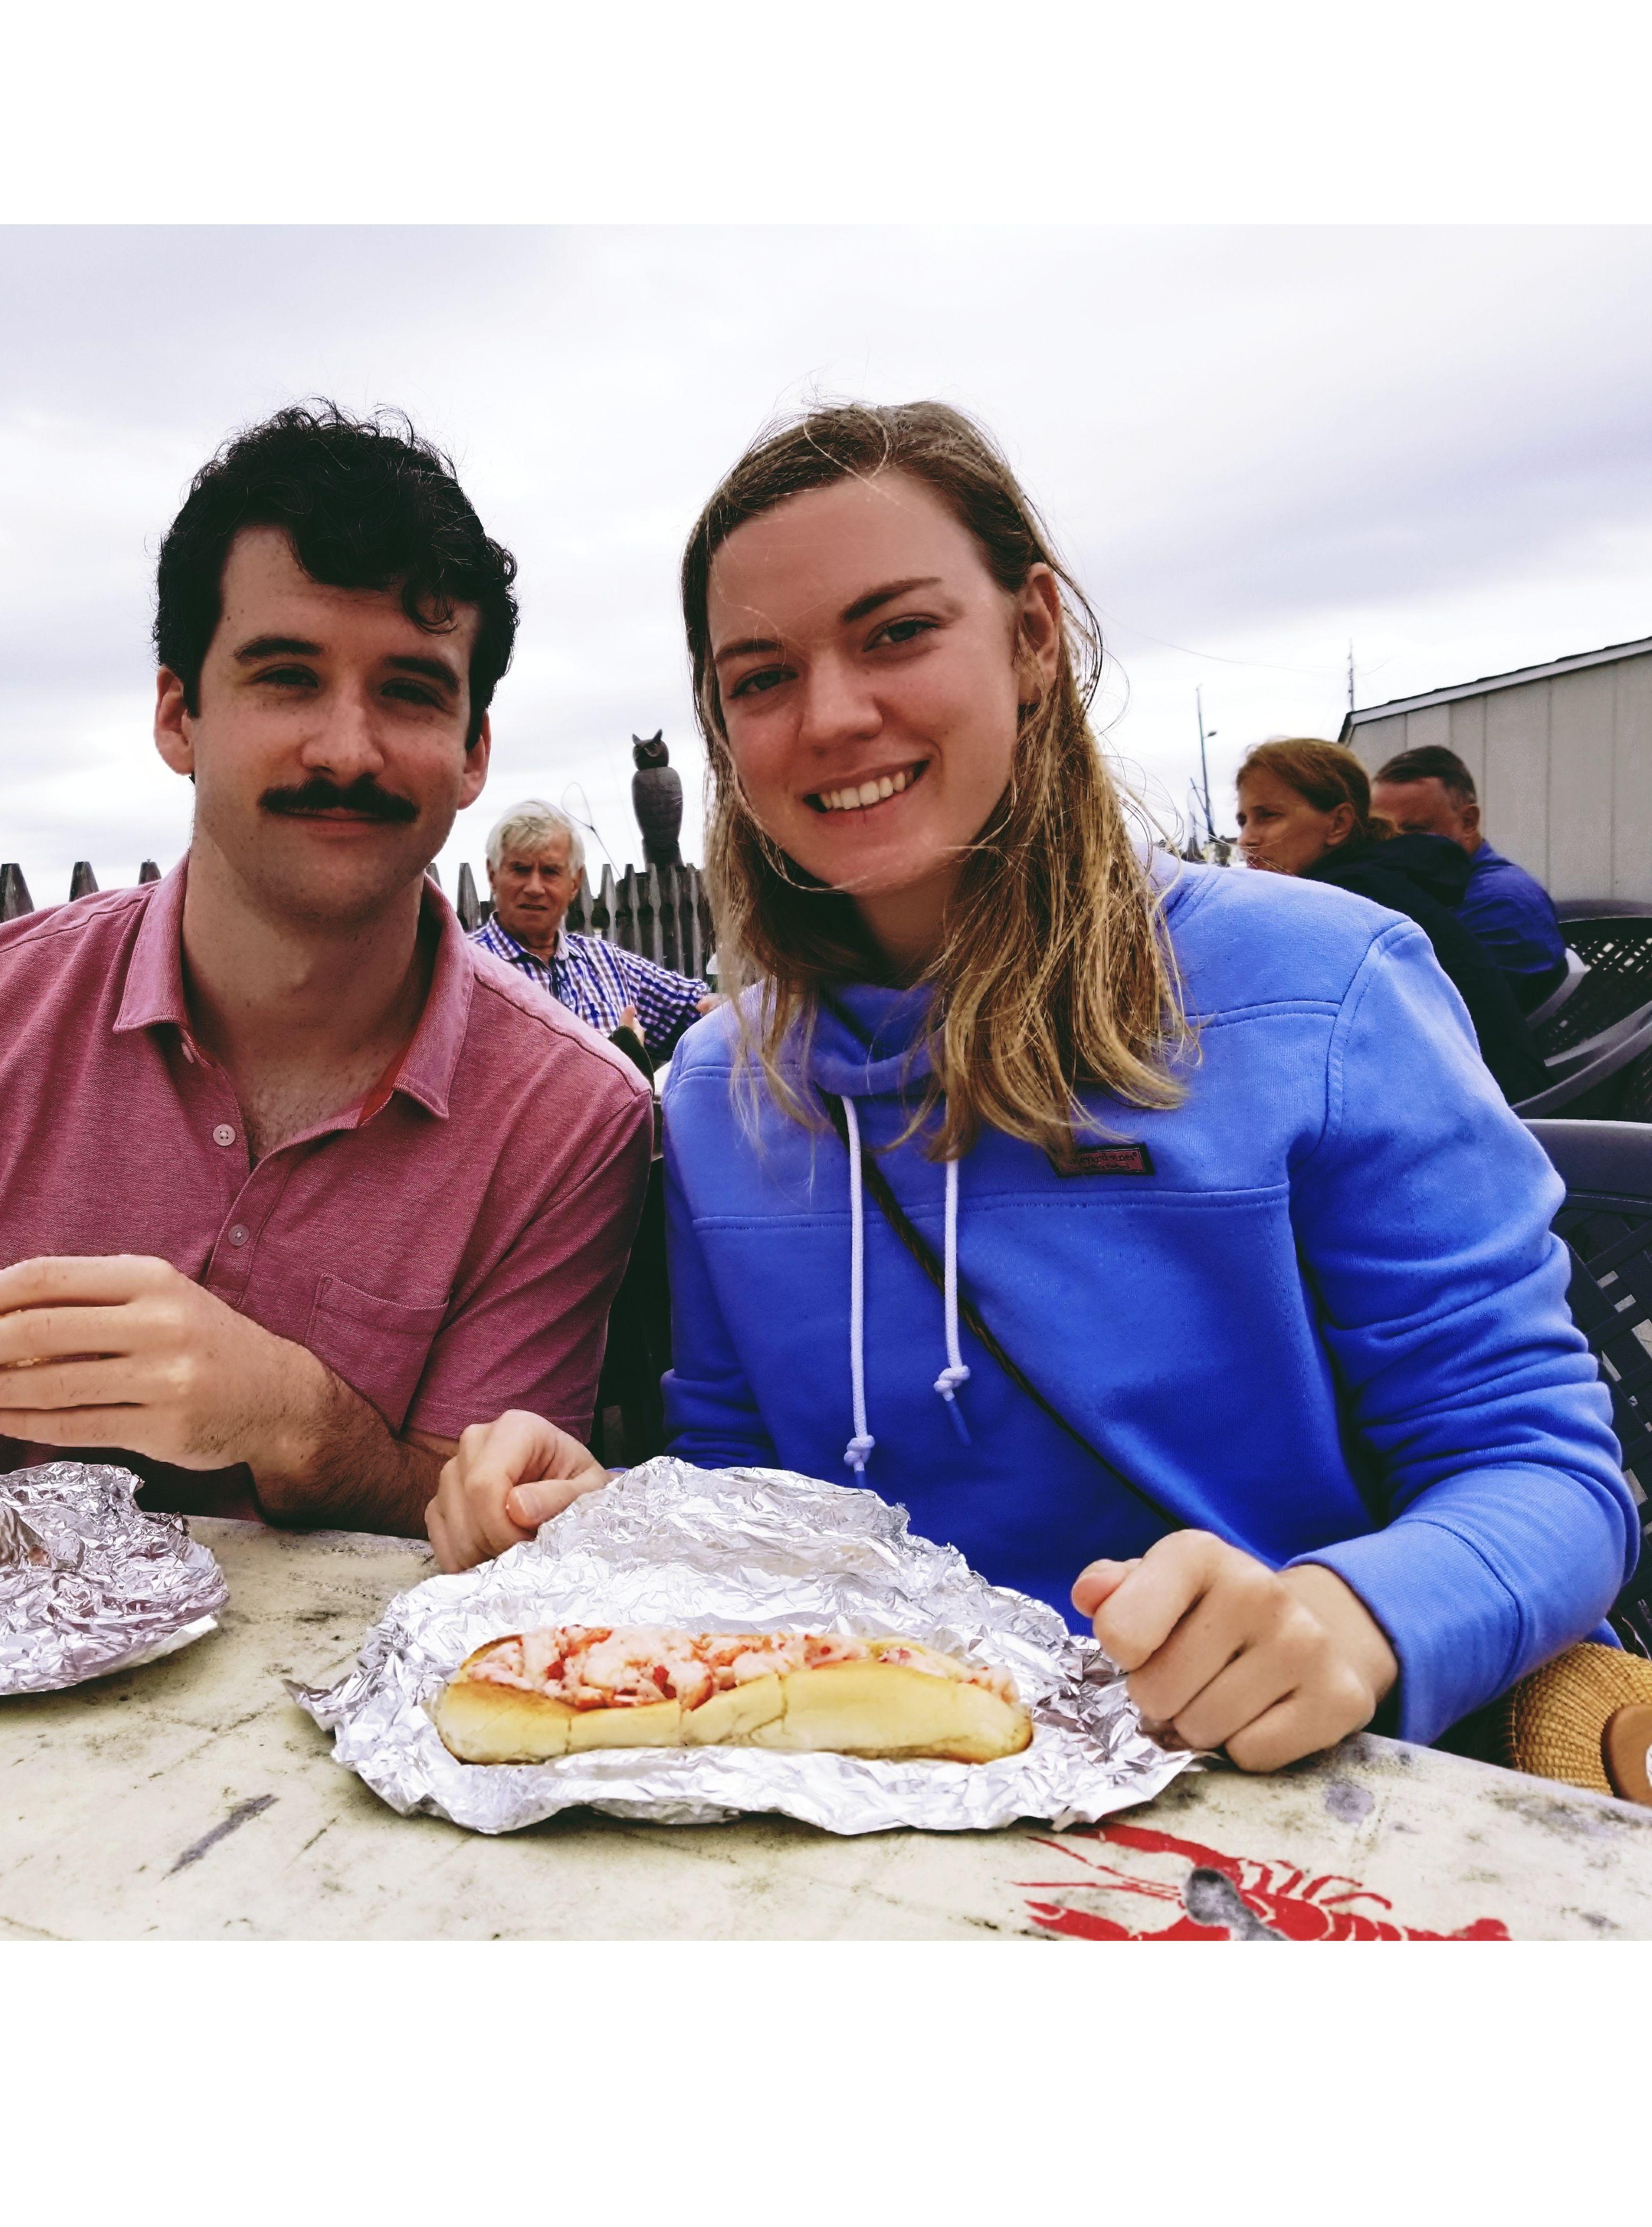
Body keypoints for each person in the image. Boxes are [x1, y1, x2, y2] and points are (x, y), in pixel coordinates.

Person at [428, 400, 1633, 1773]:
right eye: (760, 677)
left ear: (1034, 636)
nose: (831, 716)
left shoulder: (1329, 989)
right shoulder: (716, 1087)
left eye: (897, 634)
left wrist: (1352, 1618)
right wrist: (601, 1519)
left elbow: (1546, 1474)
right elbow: (737, 1474)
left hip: (1262, 1802)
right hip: (872, 1808)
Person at [0, 404, 653, 1533]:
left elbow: (479, 1531)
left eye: (409, 691)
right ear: (179, 717)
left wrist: (289, 1414)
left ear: (472, 757)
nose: (347, 748)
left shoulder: (572, 1117)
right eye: (286, 676)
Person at [1234, 736, 1544, 1101]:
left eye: (1268, 816)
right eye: (1243, 820)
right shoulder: (1380, 882)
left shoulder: (1351, 903)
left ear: (1338, 824)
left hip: (1483, 1119)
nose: (1247, 839)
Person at [468, 798, 719, 1070]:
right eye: (520, 869)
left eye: (551, 871)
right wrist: (620, 1056)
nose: (535, 887)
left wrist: (725, 1009)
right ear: (492, 875)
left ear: (574, 882)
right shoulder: (465, 970)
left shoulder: (605, 961)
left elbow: (695, 1009)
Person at [1370, 744, 1567, 1010]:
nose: (1393, 844)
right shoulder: (1448, 888)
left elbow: (1434, 1012)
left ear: (1468, 822)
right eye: (1382, 830)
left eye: (1413, 830)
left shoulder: (1500, 904)